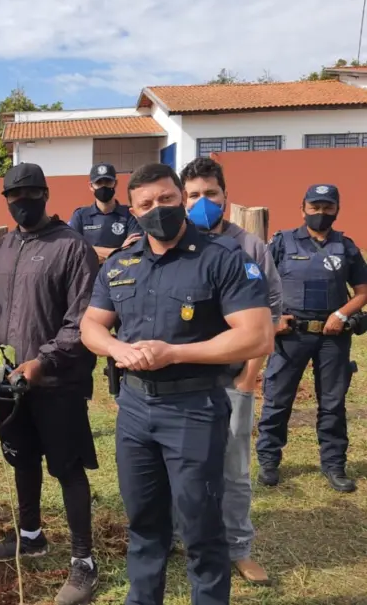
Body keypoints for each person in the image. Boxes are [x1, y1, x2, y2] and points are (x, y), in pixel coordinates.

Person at [80, 163, 274, 605]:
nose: (157, 209)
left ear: (181, 198)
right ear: (132, 210)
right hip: (133, 411)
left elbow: (256, 334)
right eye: (146, 204)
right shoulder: (121, 264)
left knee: (201, 527)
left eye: (166, 199)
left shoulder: (221, 257)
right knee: (145, 523)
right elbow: (91, 324)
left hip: (193, 408)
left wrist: (175, 352)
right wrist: (116, 349)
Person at [0, 162, 101, 605]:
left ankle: (83, 560)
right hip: (8, 385)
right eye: (14, 196)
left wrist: (42, 361)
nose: (22, 203)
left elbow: (82, 320)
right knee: (22, 460)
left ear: (45, 194)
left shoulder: (72, 248)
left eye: (30, 194)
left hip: (56, 384)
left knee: (67, 468)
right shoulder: (4, 248)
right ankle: (31, 535)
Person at [180, 157, 281, 585]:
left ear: (225, 195)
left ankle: (238, 548)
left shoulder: (250, 247)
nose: (203, 202)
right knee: (180, 464)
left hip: (233, 377)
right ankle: (176, 537)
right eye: (193, 196)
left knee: (233, 469)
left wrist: (249, 375)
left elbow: (272, 314)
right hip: (182, 379)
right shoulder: (172, 243)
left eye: (211, 194)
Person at [256, 184, 367, 493]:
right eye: (315, 207)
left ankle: (334, 464)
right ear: (302, 208)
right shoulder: (281, 243)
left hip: (333, 336)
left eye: (327, 208)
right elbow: (257, 284)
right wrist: (272, 318)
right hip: (291, 335)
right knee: (278, 399)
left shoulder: (345, 247)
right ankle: (268, 461)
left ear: (337, 210)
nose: (320, 213)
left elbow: (362, 292)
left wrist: (342, 314)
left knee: (333, 403)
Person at [68, 162, 142, 262]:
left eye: (108, 182)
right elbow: (74, 250)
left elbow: (134, 251)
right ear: (91, 186)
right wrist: (119, 251)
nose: (103, 187)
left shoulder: (129, 213)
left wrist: (91, 251)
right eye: (98, 183)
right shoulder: (80, 215)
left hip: (121, 275)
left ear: (115, 183)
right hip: (90, 276)